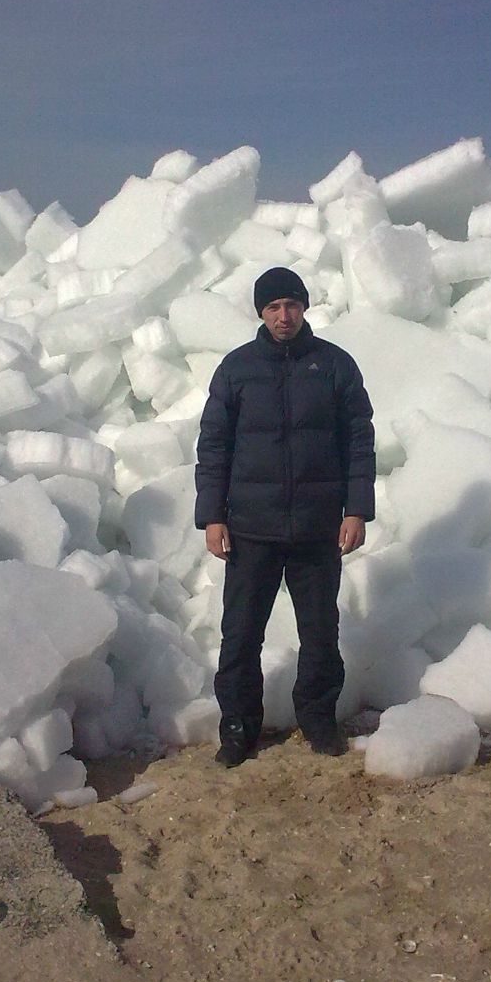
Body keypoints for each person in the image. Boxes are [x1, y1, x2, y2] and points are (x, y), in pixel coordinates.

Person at [195, 266, 375, 767]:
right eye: (273, 307)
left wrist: (357, 509)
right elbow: (213, 446)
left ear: (304, 307)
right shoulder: (236, 369)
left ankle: (318, 719)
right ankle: (238, 727)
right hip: (250, 529)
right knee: (240, 635)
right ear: (260, 312)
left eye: (291, 305)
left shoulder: (334, 366)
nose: (283, 316)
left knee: (320, 632)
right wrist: (213, 516)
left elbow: (359, 441)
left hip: (317, 528)